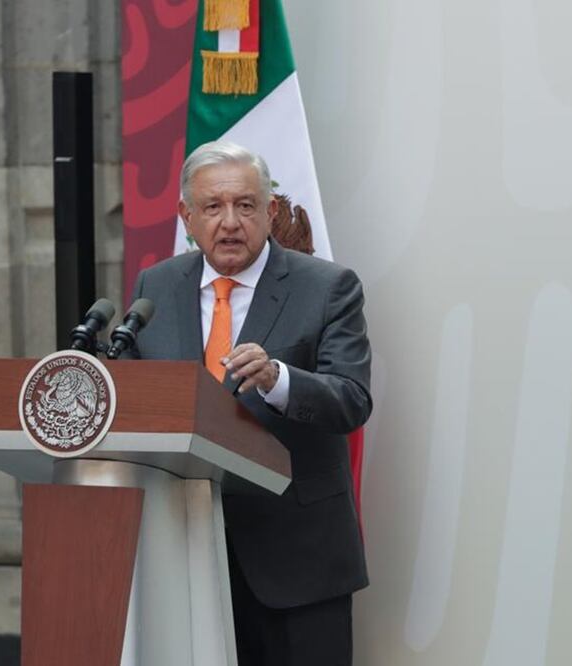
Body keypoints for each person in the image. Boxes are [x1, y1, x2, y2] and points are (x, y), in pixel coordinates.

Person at [128, 140, 371, 665]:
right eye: (213, 207)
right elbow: (136, 397)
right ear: (186, 217)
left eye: (245, 205)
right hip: (185, 551)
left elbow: (352, 400)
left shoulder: (328, 288)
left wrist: (278, 379)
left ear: (271, 211)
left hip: (298, 558)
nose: (230, 222)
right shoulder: (157, 285)